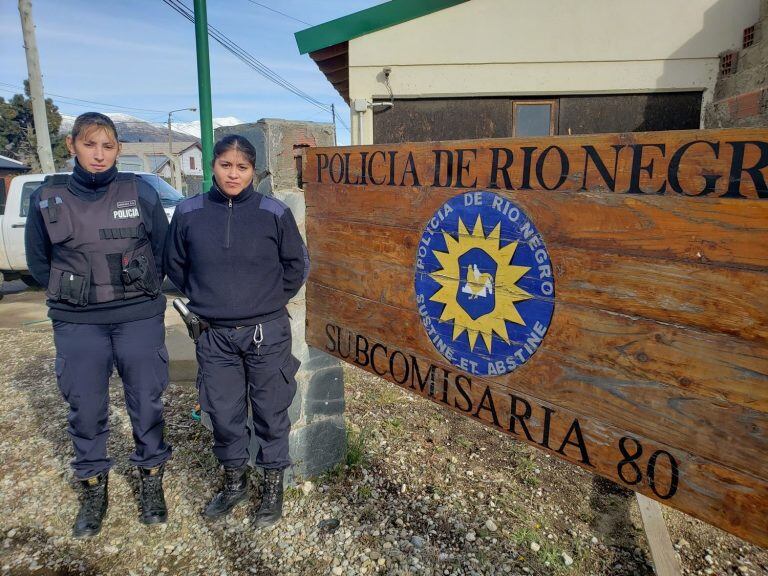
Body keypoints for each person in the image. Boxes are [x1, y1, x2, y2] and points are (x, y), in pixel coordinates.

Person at [25, 112, 171, 538]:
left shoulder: (139, 191)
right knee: (86, 409)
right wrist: (75, 296)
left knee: (146, 402)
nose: (99, 154)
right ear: (72, 145)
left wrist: (141, 294)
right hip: (78, 323)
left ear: (119, 150)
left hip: (137, 317)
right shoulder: (47, 197)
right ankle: (93, 487)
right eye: (90, 145)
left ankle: (150, 482)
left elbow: (162, 250)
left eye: (108, 146)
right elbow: (39, 263)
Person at [165, 134, 308, 527]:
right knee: (223, 413)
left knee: (270, 411)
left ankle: (272, 485)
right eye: (226, 165)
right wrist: (207, 298)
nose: (233, 174)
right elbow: (175, 265)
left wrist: (263, 301)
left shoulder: (273, 213)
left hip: (266, 334)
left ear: (253, 171)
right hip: (214, 335)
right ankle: (234, 481)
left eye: (242, 167)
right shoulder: (190, 211)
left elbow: (296, 266)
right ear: (213, 166)